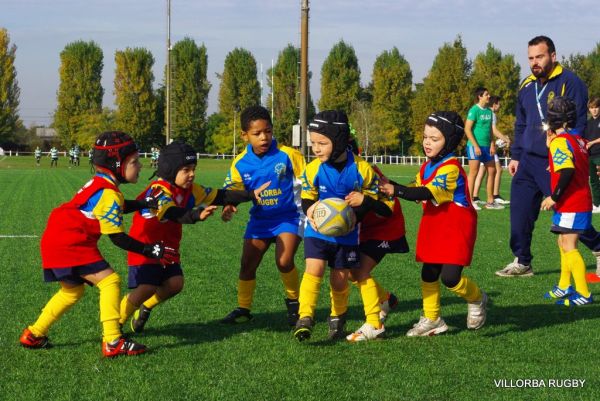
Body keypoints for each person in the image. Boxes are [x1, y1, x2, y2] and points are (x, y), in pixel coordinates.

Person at [19, 131, 178, 357]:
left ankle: (33, 333)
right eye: (134, 161)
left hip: (57, 237)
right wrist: (149, 250)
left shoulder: (101, 183)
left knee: (71, 292)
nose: (140, 165)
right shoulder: (109, 193)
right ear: (116, 164)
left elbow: (117, 206)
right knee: (110, 281)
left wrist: (143, 202)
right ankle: (113, 340)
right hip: (71, 241)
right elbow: (117, 238)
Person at [120, 141, 267, 332]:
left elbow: (220, 196)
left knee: (175, 284)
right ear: (170, 170)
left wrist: (251, 195)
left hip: (169, 246)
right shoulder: (159, 190)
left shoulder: (191, 190)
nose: (192, 174)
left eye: (194, 168)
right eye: (186, 169)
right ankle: (115, 326)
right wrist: (196, 215)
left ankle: (146, 307)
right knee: (146, 287)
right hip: (145, 247)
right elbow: (172, 212)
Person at [496, 35, 600, 277]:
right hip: (528, 161)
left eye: (540, 57)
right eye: (531, 58)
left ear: (553, 56)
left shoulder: (571, 82)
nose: (535, 62)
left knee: (568, 215)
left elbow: (578, 125)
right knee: (519, 214)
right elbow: (521, 124)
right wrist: (516, 156)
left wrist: (563, 157)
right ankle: (522, 261)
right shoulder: (526, 85)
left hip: (556, 160)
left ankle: (598, 246)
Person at [379, 111, 488, 336]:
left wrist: (396, 189)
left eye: (434, 138)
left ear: (448, 142)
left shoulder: (450, 168)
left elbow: (426, 191)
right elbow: (416, 187)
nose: (427, 142)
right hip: (434, 224)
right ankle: (432, 318)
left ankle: (476, 298)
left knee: (450, 278)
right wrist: (389, 184)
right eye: (425, 136)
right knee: (428, 272)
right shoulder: (426, 166)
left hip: (457, 227)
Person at [293, 110, 390, 343]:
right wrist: (309, 211)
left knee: (339, 278)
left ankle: (337, 316)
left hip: (347, 235)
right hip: (316, 230)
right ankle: (305, 316)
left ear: (338, 142)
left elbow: (378, 204)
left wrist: (360, 206)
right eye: (312, 143)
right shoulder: (314, 168)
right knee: (313, 269)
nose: (316, 148)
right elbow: (307, 196)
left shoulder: (361, 169)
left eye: (322, 143)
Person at [219, 106, 306, 326]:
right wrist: (228, 204)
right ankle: (244, 308)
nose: (264, 137)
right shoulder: (240, 162)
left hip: (289, 216)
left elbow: (309, 181)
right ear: (244, 135)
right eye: (257, 133)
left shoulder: (289, 155)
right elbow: (232, 189)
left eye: (267, 131)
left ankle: (296, 305)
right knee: (247, 264)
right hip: (260, 220)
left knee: (284, 260)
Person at [540, 97, 593, 305]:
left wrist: (554, 197)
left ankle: (583, 293)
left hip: (572, 202)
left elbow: (568, 170)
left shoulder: (560, 142)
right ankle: (564, 286)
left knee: (569, 244)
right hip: (577, 200)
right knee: (561, 241)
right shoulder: (577, 139)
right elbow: (575, 164)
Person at [465, 87, 502, 210]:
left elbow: (490, 130)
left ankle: (490, 201)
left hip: (487, 146)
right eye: (486, 94)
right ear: (480, 96)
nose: (489, 96)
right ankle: (470, 201)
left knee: (492, 171)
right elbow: (467, 129)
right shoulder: (474, 110)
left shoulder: (489, 112)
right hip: (474, 146)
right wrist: (475, 146)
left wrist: (492, 144)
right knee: (473, 173)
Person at [472, 96, 511, 205]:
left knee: (483, 171)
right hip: (488, 146)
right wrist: (505, 139)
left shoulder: (486, 112)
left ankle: (476, 197)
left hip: (486, 145)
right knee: (495, 170)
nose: (500, 106)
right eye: (499, 104)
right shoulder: (491, 114)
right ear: (494, 104)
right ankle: (494, 196)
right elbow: (493, 131)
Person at [583, 97, 600, 213]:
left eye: (596, 107)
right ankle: (597, 204)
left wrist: (592, 143)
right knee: (593, 181)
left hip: (599, 155)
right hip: (590, 156)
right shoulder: (587, 123)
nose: (594, 110)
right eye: (591, 108)